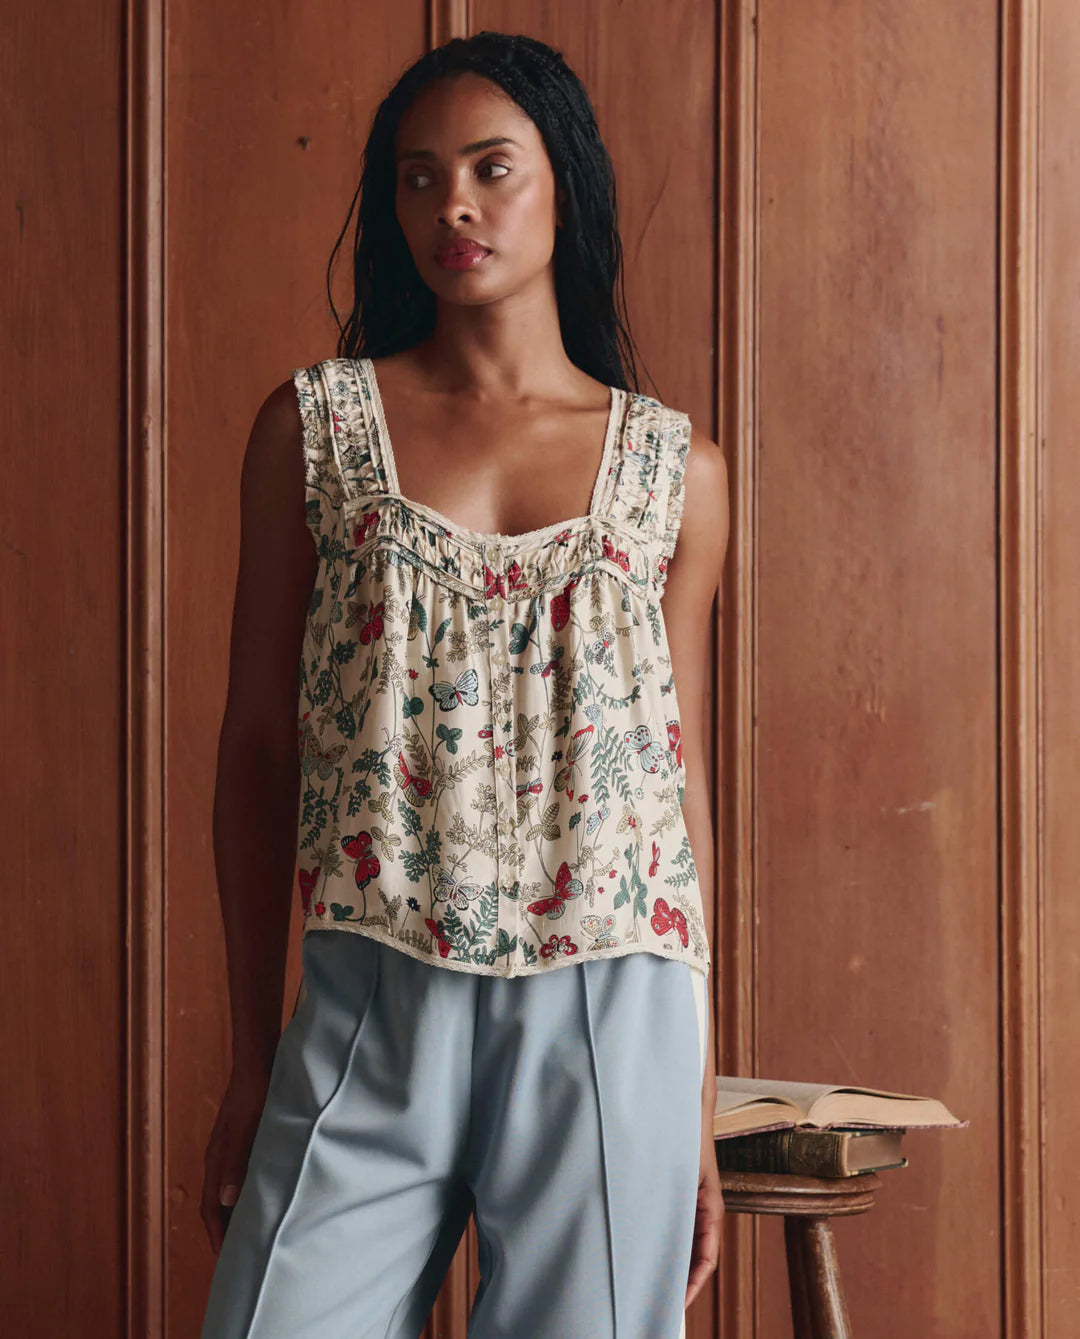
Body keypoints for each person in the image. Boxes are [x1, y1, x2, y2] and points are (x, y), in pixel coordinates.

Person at [199, 29, 730, 1339]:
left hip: (612, 1009)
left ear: (567, 186)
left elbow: (677, 782)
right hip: (372, 988)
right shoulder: (314, 432)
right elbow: (260, 749)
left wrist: (698, 1101)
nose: (455, 207)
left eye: (494, 170)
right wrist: (248, 1054)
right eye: (420, 178)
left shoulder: (678, 472)